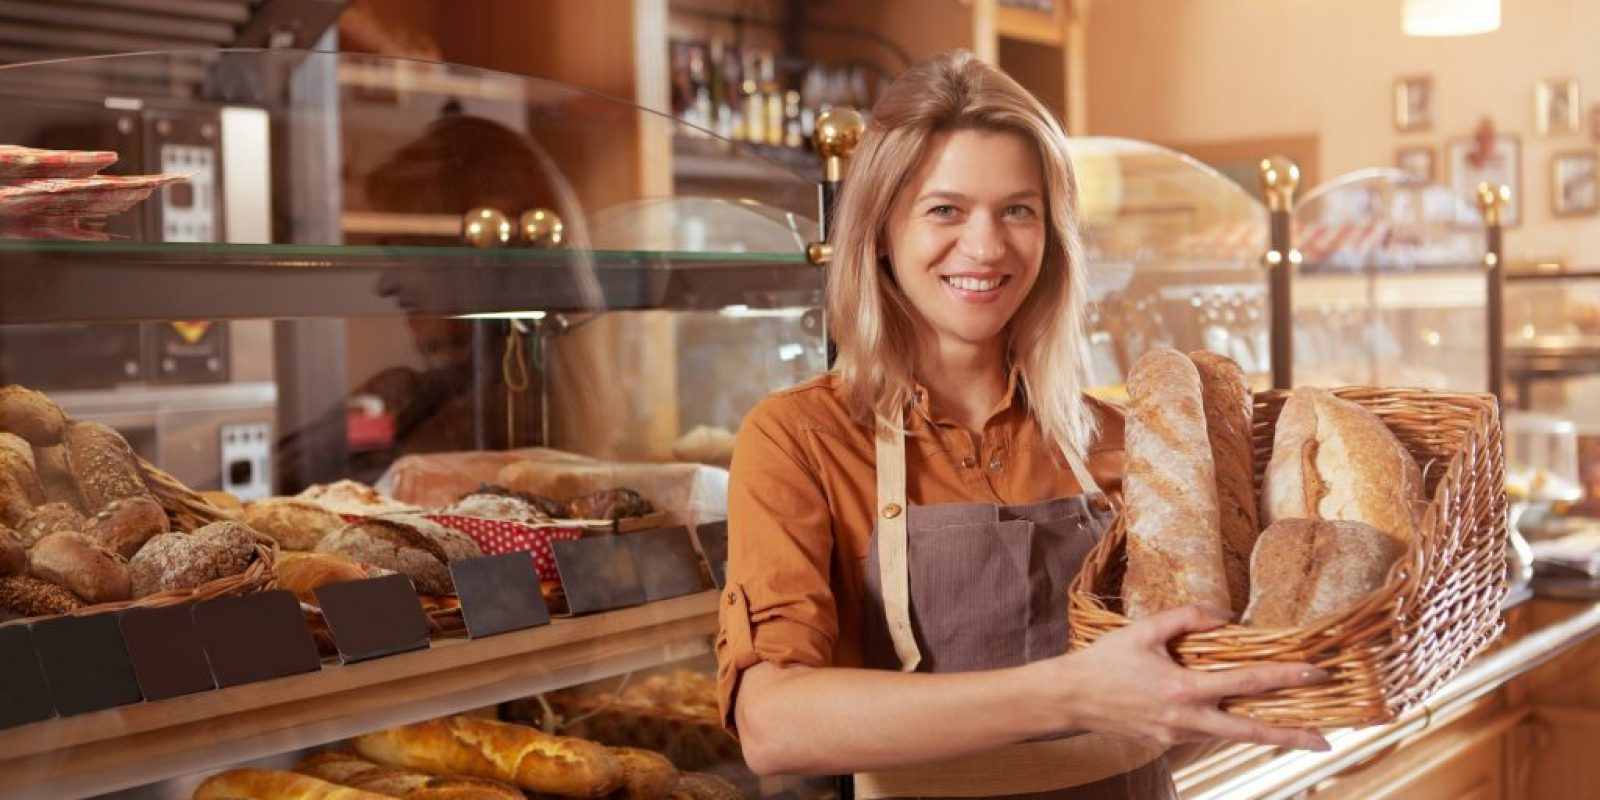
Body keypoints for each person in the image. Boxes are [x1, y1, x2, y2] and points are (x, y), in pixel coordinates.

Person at [715, 51, 1330, 798]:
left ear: (1052, 235)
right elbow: (773, 726)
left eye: (1018, 210)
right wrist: (1072, 694)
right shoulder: (803, 438)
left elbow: (1175, 710)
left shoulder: (1124, 440)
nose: (986, 246)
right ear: (879, 230)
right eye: (945, 209)